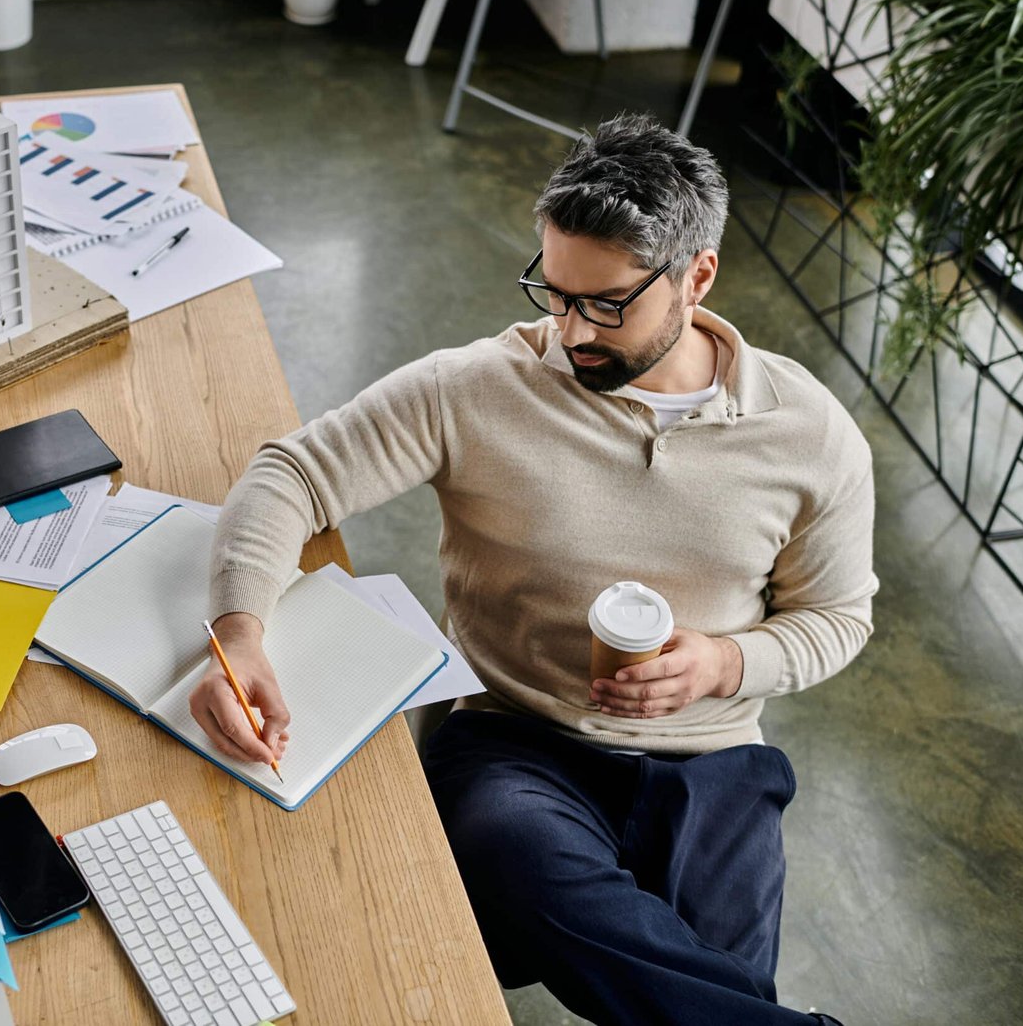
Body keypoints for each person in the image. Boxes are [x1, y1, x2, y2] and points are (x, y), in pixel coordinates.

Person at [190, 112, 875, 1025]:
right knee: (518, 855)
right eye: (555, 292)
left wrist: (724, 662)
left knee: (711, 991)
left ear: (698, 276)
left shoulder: (810, 433)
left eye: (607, 303)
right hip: (517, 740)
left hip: (713, 760)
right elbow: (293, 474)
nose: (571, 328)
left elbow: (839, 617)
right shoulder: (476, 388)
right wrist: (239, 634)